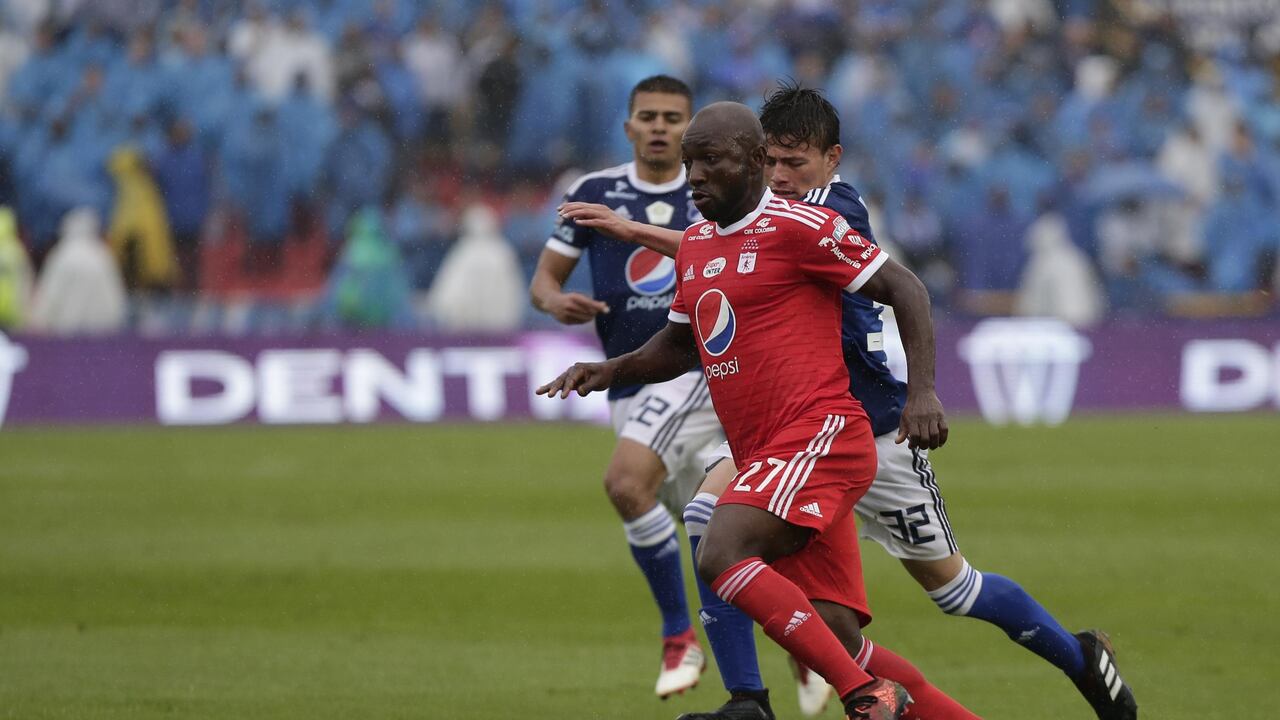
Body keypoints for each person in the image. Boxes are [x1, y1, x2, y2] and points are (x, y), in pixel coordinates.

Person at [561, 85, 1137, 720]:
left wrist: (923, 392)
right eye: (773, 162)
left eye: (794, 163)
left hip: (871, 429)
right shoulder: (739, 226)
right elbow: (730, 246)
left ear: (831, 160)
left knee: (955, 590)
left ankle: (1078, 656)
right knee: (727, 534)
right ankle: (749, 698)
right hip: (788, 435)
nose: (781, 177)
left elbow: (792, 245)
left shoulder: (830, 211)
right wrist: (646, 247)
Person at [540, 101, 977, 720]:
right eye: (690, 163)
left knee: (719, 545)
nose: (695, 176)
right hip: (765, 452)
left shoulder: (801, 226)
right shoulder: (697, 245)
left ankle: (841, 696)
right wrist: (609, 370)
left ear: (753, 161)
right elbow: (681, 346)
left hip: (820, 437)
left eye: (711, 160)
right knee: (837, 635)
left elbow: (905, 287)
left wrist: (922, 392)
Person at [529, 75, 722, 699]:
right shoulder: (592, 192)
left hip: (696, 372)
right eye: (649, 116)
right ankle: (792, 644)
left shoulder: (715, 191)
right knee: (709, 529)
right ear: (629, 126)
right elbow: (543, 281)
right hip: (626, 381)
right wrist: (555, 301)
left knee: (625, 483)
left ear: (690, 129)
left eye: (672, 117)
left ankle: (678, 636)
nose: (660, 126)